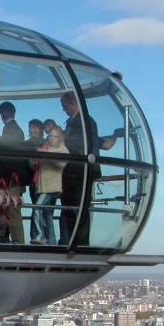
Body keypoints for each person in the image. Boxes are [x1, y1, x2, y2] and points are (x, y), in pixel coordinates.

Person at [59, 90, 100, 246]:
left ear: (73, 103)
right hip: (74, 173)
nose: (64, 109)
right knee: (70, 208)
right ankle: (71, 240)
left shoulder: (84, 122)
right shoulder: (78, 122)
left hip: (79, 172)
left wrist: (61, 143)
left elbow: (81, 145)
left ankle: (80, 242)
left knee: (78, 208)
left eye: (65, 106)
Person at [0, 101, 28, 245]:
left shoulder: (11, 130)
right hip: (13, 178)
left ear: (2, 114)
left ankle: (18, 242)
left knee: (13, 211)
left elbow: (8, 154)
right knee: (7, 208)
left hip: (11, 179)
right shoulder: (16, 129)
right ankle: (3, 236)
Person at [30, 125, 68, 245]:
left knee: (37, 207)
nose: (52, 138)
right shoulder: (44, 148)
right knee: (47, 213)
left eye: (55, 136)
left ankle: (39, 236)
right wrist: (35, 159)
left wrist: (45, 153)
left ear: (59, 138)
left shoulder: (62, 149)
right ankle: (51, 240)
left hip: (52, 187)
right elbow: (33, 165)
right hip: (41, 186)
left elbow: (61, 164)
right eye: (50, 136)